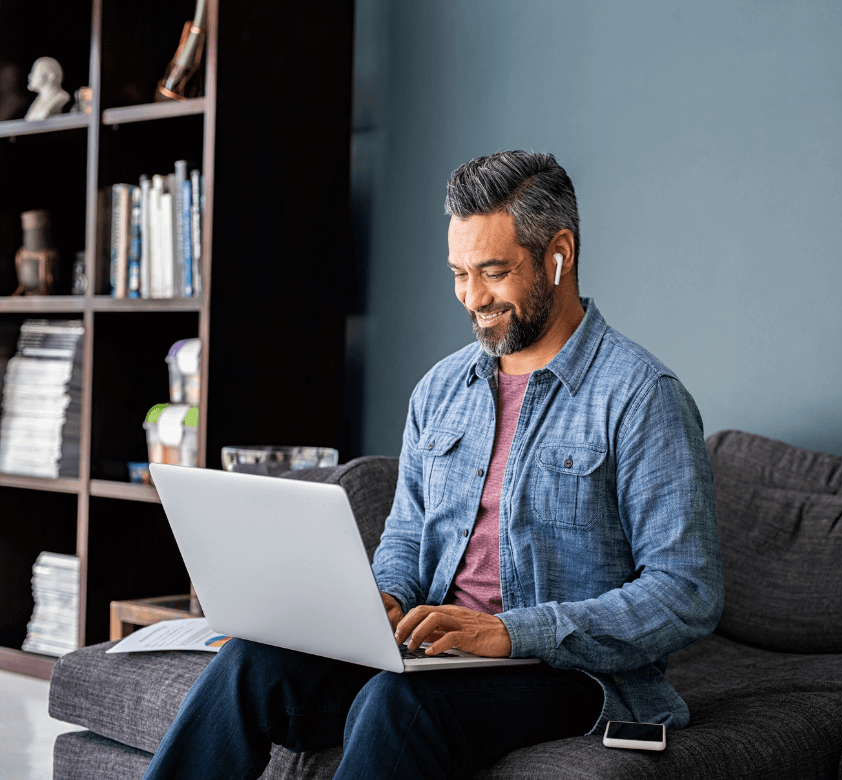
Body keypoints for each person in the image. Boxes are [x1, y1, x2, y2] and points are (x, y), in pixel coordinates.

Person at [141, 151, 723, 780]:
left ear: (560, 254)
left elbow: (686, 591)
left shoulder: (641, 396)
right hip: (433, 653)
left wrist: (509, 633)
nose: (473, 298)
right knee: (251, 663)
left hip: (569, 674)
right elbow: (407, 536)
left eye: (494, 272)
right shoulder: (441, 390)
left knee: (402, 702)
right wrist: (386, 599)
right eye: (459, 273)